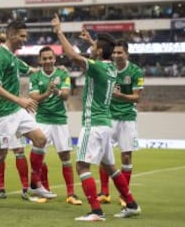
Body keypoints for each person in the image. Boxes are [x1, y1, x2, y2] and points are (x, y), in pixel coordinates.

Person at [51, 14, 141, 221]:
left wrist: (59, 32)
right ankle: (131, 204)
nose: (91, 49)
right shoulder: (111, 67)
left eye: (94, 48)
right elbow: (103, 54)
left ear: (99, 52)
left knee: (82, 166)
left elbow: (73, 56)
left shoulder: (99, 67)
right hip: (106, 124)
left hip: (93, 124)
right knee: (110, 167)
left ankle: (96, 211)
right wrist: (94, 43)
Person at [0, 20, 52, 210]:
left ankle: (35, 183)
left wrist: (52, 71)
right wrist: (20, 100)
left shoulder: (14, 58)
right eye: (22, 36)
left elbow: (32, 70)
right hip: (1, 114)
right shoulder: (0, 57)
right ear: (11, 35)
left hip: (16, 111)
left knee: (41, 139)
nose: (25, 39)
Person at [29, 46, 82, 205]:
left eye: (50, 58)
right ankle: (45, 190)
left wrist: (56, 91)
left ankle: (71, 194)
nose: (47, 61)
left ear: (55, 58)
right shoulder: (35, 76)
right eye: (44, 58)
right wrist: (47, 93)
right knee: (40, 157)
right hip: (42, 120)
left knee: (65, 157)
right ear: (40, 60)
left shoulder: (62, 73)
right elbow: (34, 97)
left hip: (59, 120)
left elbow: (66, 95)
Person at [97, 39, 144, 206]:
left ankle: (124, 195)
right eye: (114, 53)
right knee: (103, 154)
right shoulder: (108, 69)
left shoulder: (135, 71)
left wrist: (120, 96)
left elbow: (137, 97)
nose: (116, 56)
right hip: (108, 117)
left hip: (127, 118)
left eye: (119, 53)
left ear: (126, 54)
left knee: (126, 156)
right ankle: (104, 192)